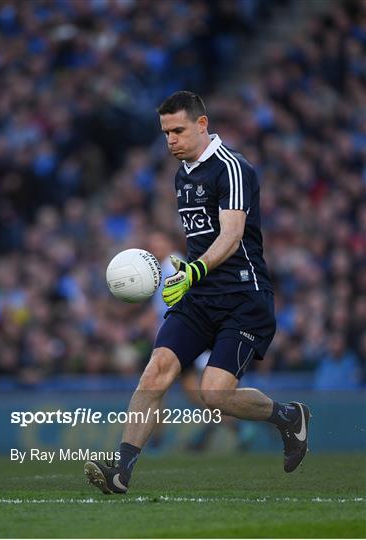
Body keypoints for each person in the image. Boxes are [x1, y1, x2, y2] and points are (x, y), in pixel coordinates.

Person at [84, 91, 311, 494]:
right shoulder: (183, 174)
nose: (170, 140)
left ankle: (288, 416)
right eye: (165, 133)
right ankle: (121, 470)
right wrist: (184, 278)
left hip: (244, 298)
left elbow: (232, 234)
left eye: (178, 130)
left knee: (214, 394)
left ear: (202, 124)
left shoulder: (233, 168)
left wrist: (194, 271)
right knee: (155, 371)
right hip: (199, 297)